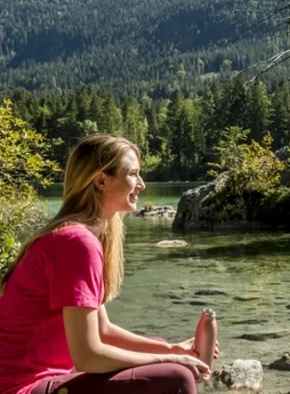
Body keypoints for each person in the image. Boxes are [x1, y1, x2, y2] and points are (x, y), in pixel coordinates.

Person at [0, 134, 217, 394]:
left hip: (42, 379)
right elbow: (88, 356)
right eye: (134, 174)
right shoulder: (76, 243)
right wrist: (171, 360)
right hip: (20, 388)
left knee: (159, 344)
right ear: (102, 180)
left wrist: (171, 349)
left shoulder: (78, 236)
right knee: (176, 377)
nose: (142, 185)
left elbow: (103, 331)